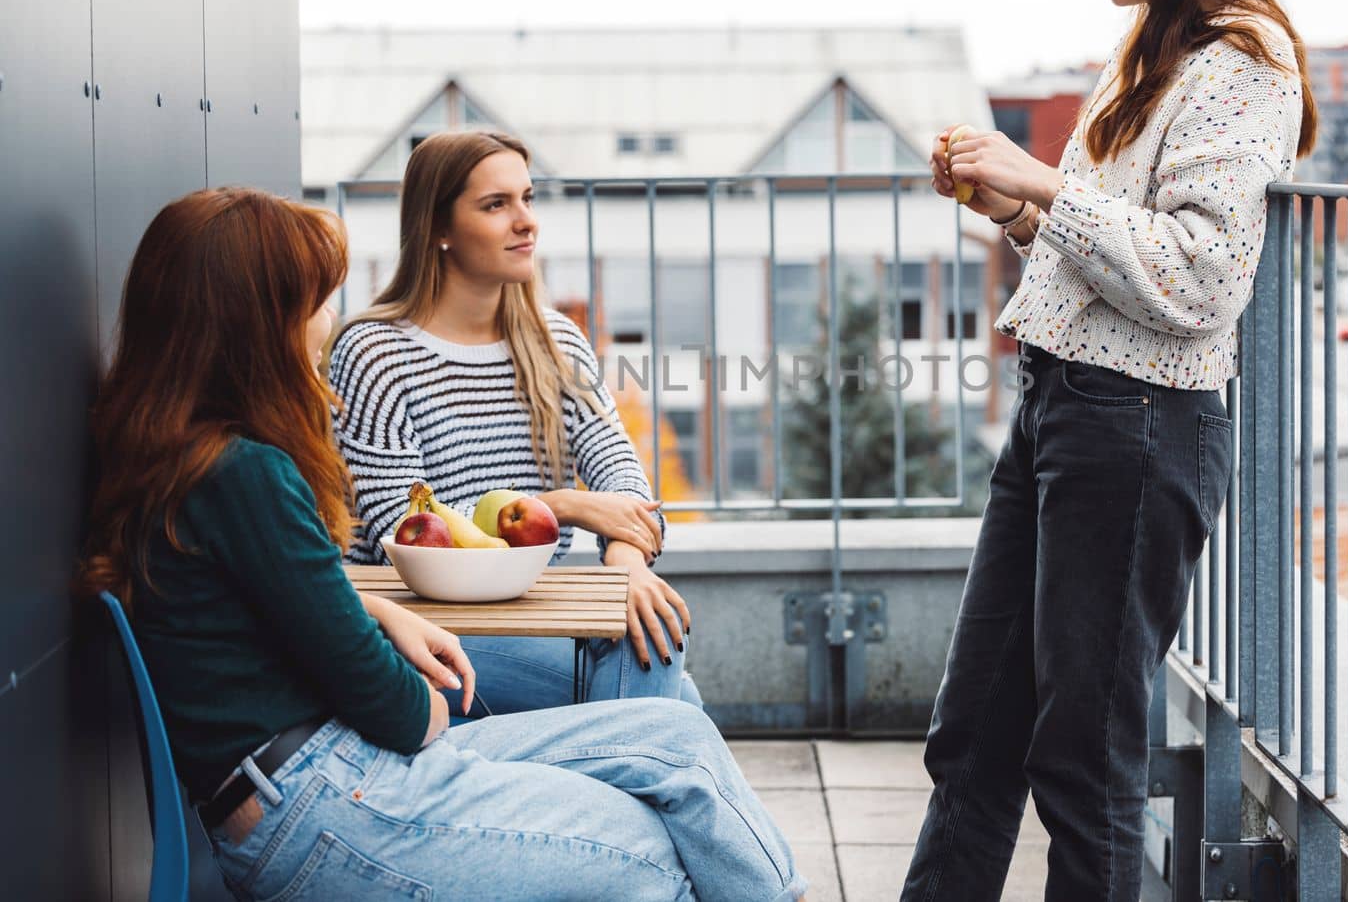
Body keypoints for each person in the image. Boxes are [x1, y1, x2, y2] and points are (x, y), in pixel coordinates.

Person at [79, 187, 807, 901]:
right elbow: (401, 707)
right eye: (312, 300)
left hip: (319, 778)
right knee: (650, 852)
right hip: (323, 800)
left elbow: (273, 608)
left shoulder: (184, 460)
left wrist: (376, 613)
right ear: (255, 322)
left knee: (675, 733)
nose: (325, 321)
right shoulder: (245, 474)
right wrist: (410, 678)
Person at [903, 0, 1318, 899]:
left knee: (1080, 761)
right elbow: (1110, 253)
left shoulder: (1243, 57)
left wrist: (1043, 183)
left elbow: (1202, 277)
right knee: (975, 731)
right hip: (1063, 407)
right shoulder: (1152, 47)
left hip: (1137, 425)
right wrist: (1018, 209)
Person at [329, 130, 701, 713]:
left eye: (527, 198)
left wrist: (627, 567)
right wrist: (564, 504)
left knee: (654, 646)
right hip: (417, 632)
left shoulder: (556, 343)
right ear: (438, 229)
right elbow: (407, 531)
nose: (526, 221)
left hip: (528, 617)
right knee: (665, 695)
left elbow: (624, 482)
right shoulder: (375, 352)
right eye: (496, 205)